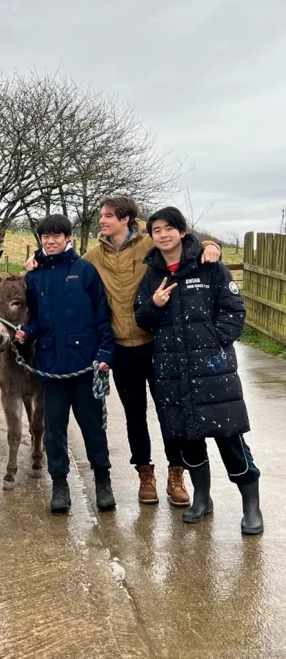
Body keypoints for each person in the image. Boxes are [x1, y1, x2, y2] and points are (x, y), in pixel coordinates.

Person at [26, 195, 220, 507]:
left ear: (125, 219)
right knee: (134, 416)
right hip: (122, 348)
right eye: (101, 215)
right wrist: (36, 260)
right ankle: (146, 475)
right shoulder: (92, 258)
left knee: (170, 414)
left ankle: (176, 474)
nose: (102, 220)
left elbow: (181, 246)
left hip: (157, 344)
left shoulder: (149, 245)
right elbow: (59, 264)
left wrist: (209, 244)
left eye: (108, 216)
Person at [134, 206, 262, 535]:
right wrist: (154, 305)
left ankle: (251, 506)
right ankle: (201, 499)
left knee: (229, 439)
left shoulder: (211, 267)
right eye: (155, 230)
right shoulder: (151, 275)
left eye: (167, 229)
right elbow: (142, 320)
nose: (162, 235)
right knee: (188, 440)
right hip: (172, 372)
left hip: (212, 371)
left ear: (181, 230)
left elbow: (234, 310)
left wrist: (215, 343)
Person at [16, 214, 115, 515]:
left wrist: (106, 354)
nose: (51, 241)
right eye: (45, 237)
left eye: (57, 236)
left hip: (86, 365)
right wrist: (26, 334)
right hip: (51, 366)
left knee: (92, 427)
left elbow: (102, 317)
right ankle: (60, 485)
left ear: (68, 237)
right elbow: (37, 321)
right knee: (54, 429)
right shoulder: (33, 277)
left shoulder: (85, 271)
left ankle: (103, 481)